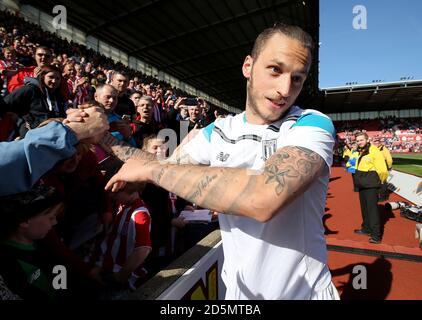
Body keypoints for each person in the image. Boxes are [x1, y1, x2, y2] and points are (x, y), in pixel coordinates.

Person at [105, 23, 339, 300]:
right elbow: (161, 169)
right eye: (275, 70)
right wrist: (101, 138)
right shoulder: (217, 131)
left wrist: (154, 168)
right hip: (239, 295)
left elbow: (263, 199)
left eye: (297, 79)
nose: (285, 89)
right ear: (248, 67)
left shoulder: (311, 124)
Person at [0, 103, 109, 196]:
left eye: (78, 154)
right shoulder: (40, 184)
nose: (74, 160)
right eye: (66, 152)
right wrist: (71, 132)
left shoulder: (84, 164)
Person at [353, 132, 388, 244]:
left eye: (361, 140)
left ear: (367, 140)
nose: (359, 142)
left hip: (371, 184)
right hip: (361, 184)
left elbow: (382, 169)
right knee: (364, 209)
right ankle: (366, 228)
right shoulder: (358, 150)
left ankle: (376, 235)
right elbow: (352, 165)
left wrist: (382, 184)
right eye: (357, 140)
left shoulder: (374, 151)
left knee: (372, 210)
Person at [372, 136, 393, 201]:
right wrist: (389, 167)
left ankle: (378, 196)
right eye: (375, 141)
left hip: (375, 167)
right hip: (381, 167)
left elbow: (389, 160)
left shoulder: (371, 149)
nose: (376, 143)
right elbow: (389, 160)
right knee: (383, 182)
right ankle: (383, 197)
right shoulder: (384, 149)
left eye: (377, 141)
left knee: (376, 182)